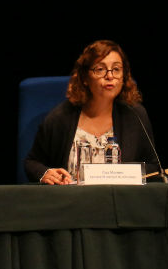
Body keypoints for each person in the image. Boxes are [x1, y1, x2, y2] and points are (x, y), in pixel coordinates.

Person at [24, 40, 159, 184]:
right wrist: (45, 174)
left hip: (120, 202)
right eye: (100, 69)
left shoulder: (135, 115)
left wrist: (124, 174)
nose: (110, 76)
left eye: (116, 69)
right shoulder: (60, 118)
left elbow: (154, 167)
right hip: (72, 202)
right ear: (84, 78)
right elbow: (32, 163)